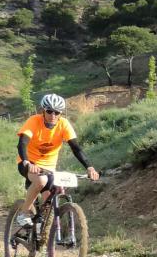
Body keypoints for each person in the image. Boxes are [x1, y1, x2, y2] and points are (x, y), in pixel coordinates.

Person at [14, 94, 99, 227]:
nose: (53, 115)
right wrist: (27, 162)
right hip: (29, 162)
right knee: (41, 181)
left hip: (49, 167)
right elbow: (22, 143)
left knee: (51, 197)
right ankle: (23, 214)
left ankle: (43, 228)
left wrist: (90, 167)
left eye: (57, 112)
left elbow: (76, 148)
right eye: (49, 111)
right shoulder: (34, 121)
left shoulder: (64, 124)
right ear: (43, 110)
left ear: (61, 113)